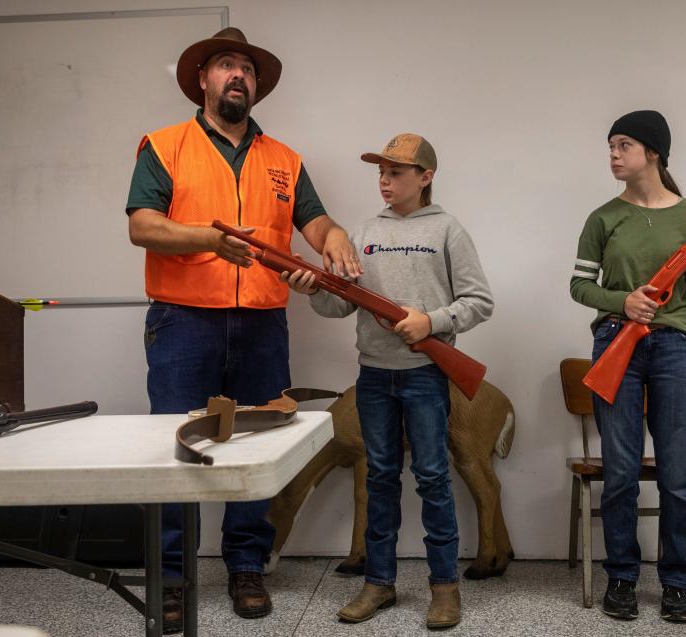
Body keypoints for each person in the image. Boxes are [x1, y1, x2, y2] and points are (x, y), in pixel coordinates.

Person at [124, 27, 360, 632]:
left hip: (261, 325)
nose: (238, 76)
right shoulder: (165, 145)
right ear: (202, 80)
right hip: (182, 323)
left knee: (257, 445)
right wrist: (209, 237)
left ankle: (247, 567)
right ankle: (172, 578)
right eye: (226, 66)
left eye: (247, 70)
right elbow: (143, 227)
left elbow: (318, 223)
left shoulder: (284, 160)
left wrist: (334, 242)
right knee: (176, 448)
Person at [283, 133, 493, 629]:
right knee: (379, 481)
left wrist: (432, 322)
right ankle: (378, 584)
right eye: (380, 171)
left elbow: (480, 301)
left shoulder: (448, 230)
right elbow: (339, 304)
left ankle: (444, 589)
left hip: (425, 377)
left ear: (425, 177)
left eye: (396, 171)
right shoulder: (361, 234)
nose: (385, 179)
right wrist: (311, 289)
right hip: (374, 378)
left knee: (433, 479)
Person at [570, 110, 686, 623]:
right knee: (619, 473)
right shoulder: (602, 217)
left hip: (677, 346)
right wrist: (622, 303)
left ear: (653, 152)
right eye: (611, 146)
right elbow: (580, 287)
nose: (613, 155)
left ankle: (678, 585)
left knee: (677, 474)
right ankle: (621, 578)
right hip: (617, 341)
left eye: (623, 145)